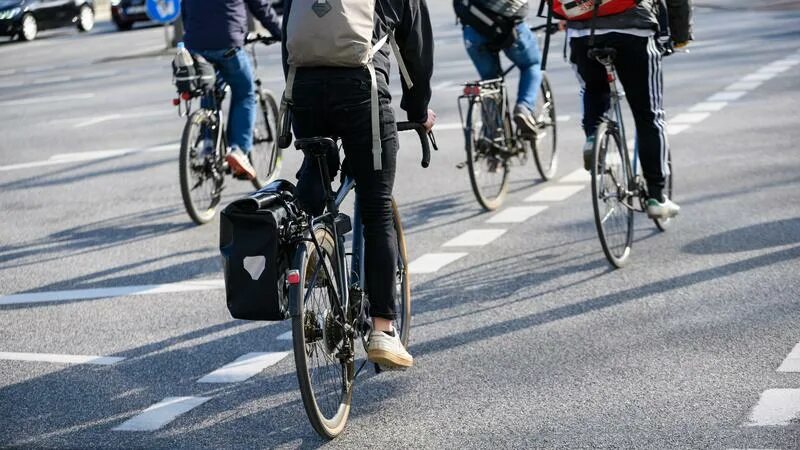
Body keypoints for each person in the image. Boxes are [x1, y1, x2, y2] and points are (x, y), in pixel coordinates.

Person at [281, 0, 435, 368]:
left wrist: (297, 94)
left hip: (304, 90)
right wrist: (418, 111)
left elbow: (290, 36)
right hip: (361, 92)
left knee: (318, 163)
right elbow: (416, 48)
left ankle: (309, 244)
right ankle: (383, 329)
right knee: (376, 206)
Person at [564, 0, 692, 219]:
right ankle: (656, 197)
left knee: (593, 88)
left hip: (583, 32)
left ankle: (593, 136)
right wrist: (680, 36)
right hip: (634, 31)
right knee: (649, 115)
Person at [181, 0, 282, 180]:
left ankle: (207, 143)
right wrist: (279, 31)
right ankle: (239, 150)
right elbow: (259, 6)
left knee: (208, 87)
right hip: (227, 41)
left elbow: (185, 9)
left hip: (195, 44)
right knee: (246, 94)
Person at [458, 0, 543, 136]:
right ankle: (524, 108)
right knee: (531, 64)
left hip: (472, 28)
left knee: (489, 81)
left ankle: (493, 135)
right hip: (509, 28)